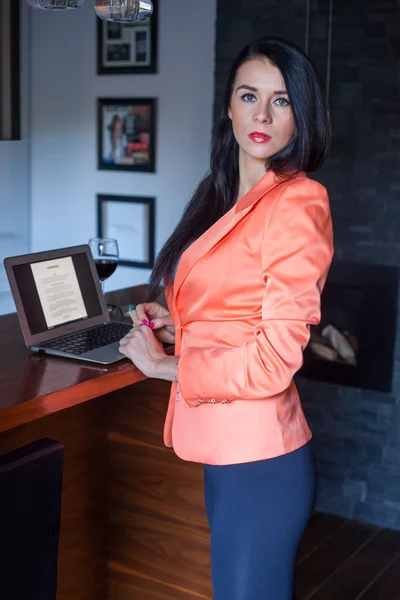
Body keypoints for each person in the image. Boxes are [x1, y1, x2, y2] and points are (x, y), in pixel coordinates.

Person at [118, 37, 334, 600]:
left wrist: (166, 366)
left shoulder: (298, 200)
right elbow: (236, 308)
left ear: (301, 114)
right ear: (229, 107)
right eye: (249, 95)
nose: (261, 115)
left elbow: (275, 360)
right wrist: (173, 322)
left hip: (262, 461)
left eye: (281, 101)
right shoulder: (224, 196)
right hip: (226, 450)